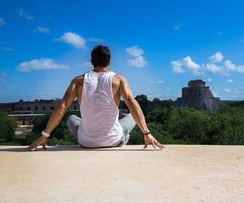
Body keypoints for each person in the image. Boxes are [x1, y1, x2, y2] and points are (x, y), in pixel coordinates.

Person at [25, 45, 165, 151]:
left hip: (86, 142)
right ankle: (124, 138)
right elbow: (131, 101)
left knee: (71, 118)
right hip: (113, 140)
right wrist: (147, 133)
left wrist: (44, 135)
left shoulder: (78, 81)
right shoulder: (118, 79)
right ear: (109, 61)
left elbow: (62, 107)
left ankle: (97, 134)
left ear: (92, 61)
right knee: (130, 116)